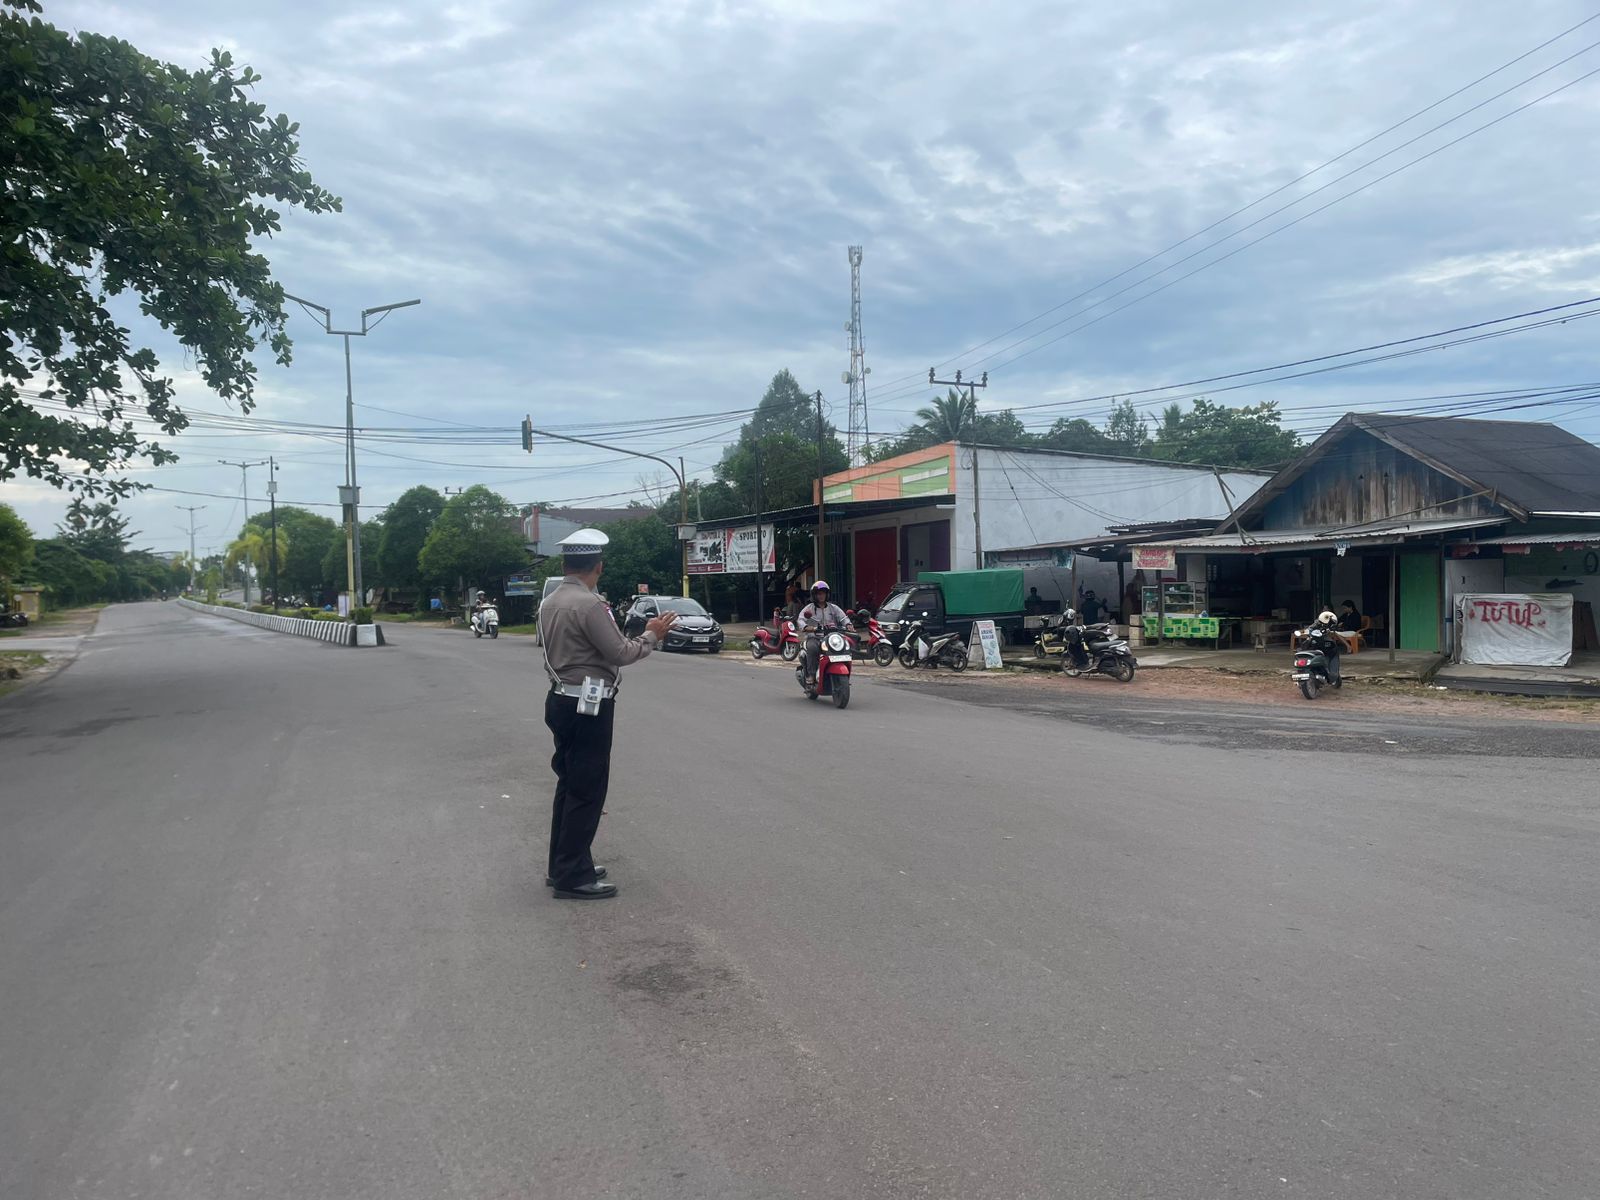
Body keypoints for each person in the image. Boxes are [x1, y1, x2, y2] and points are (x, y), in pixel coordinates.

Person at [539, 529, 677, 900]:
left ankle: (564, 862)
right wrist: (652, 635)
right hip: (589, 705)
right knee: (587, 789)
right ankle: (572, 875)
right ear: (597, 566)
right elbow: (620, 653)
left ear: (566, 564)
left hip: (562, 699)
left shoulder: (550, 601)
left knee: (569, 784)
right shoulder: (588, 604)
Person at [796, 580, 851, 686]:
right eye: (819, 593)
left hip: (832, 637)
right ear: (814, 595)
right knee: (812, 648)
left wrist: (848, 625)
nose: (821, 596)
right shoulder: (809, 608)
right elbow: (800, 620)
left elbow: (843, 617)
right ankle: (811, 674)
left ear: (827, 594)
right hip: (815, 637)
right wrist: (807, 627)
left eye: (823, 593)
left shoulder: (833, 608)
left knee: (845, 646)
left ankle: (843, 673)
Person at [1305, 608, 1345, 687]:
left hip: (1322, 642)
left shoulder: (1331, 623)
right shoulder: (1317, 622)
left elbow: (1335, 629)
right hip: (1315, 642)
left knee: (1331, 650)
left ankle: (1329, 673)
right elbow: (1310, 629)